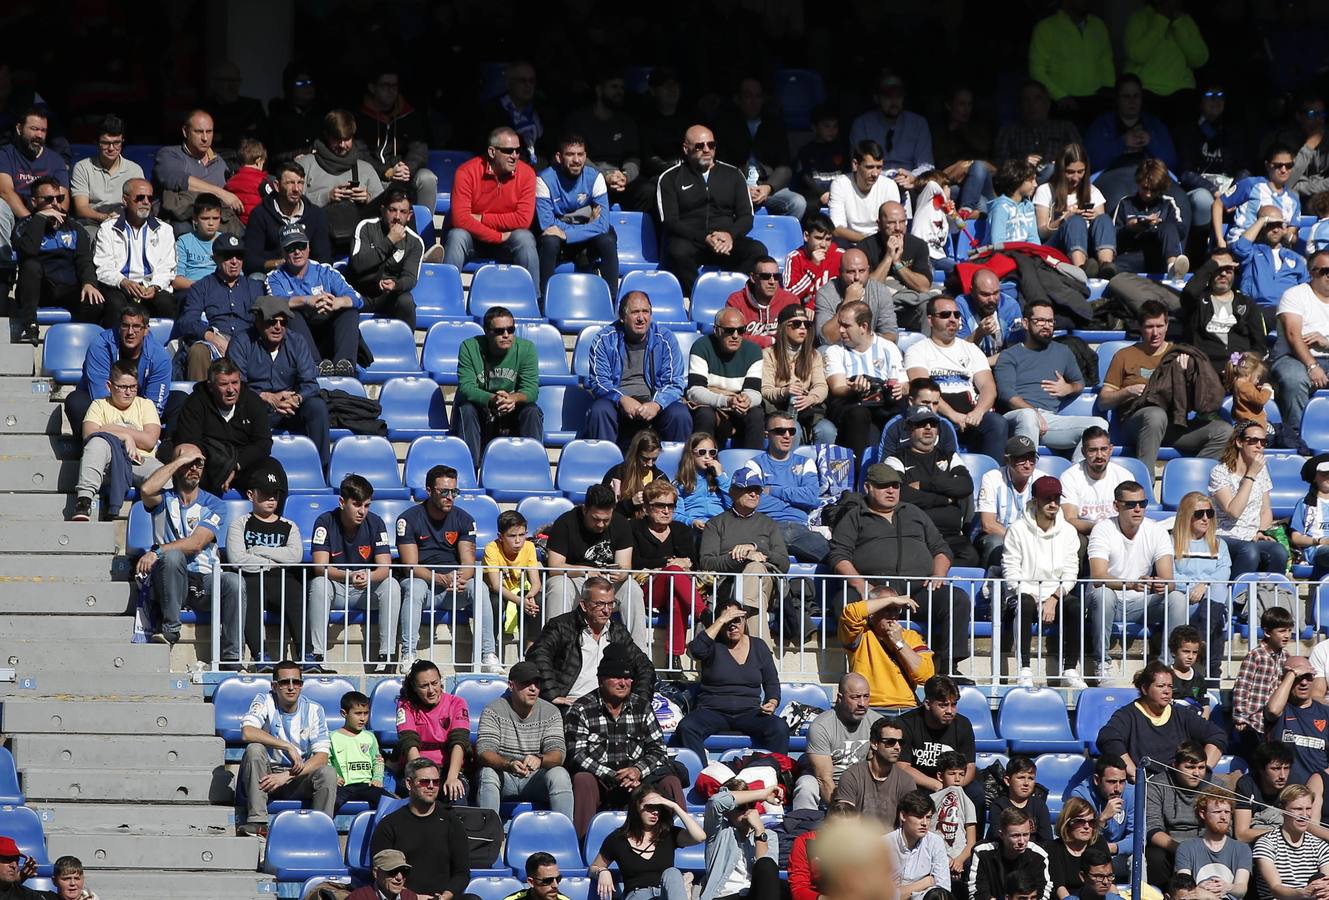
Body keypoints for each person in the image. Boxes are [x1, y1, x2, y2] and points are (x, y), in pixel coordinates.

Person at [829, 464, 973, 676]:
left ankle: (949, 667)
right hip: (874, 594)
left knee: (957, 598)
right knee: (844, 602)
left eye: (895, 486)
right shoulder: (854, 516)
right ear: (868, 487)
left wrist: (939, 574)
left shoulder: (914, 512)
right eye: (884, 486)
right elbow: (838, 554)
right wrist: (861, 585)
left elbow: (941, 549)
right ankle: (862, 662)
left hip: (916, 591)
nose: (891, 491)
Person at [565, 643, 687, 839]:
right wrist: (613, 775)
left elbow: (658, 750)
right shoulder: (581, 709)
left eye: (627, 678)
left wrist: (637, 770)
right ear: (601, 679)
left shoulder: (642, 706)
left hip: (639, 779)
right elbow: (576, 755)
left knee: (670, 781)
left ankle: (680, 840)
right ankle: (583, 844)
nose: (623, 683)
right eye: (617, 677)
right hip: (601, 781)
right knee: (582, 779)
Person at [1098, 300, 1230, 477]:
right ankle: (1144, 483)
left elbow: (1198, 402)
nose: (1155, 333)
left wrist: (1187, 375)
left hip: (1172, 424)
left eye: (1160, 326)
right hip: (1135, 423)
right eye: (1149, 327)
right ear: (1139, 326)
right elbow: (1103, 402)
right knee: (1154, 414)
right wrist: (1127, 392)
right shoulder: (1124, 355)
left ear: (1167, 325)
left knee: (1224, 432)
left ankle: (1190, 479)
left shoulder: (1179, 354)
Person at [136, 442, 241, 660]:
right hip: (172, 581)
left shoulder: (214, 504)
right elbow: (146, 489)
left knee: (234, 582)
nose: (194, 468)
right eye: (188, 464)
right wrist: (179, 461)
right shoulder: (163, 500)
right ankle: (170, 630)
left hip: (204, 581)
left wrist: (158, 550)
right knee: (173, 557)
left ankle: (232, 657)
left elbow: (196, 543)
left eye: (199, 464)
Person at [397, 464, 500, 675]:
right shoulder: (408, 519)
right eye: (444, 491)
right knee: (415, 586)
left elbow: (468, 563)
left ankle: (488, 654)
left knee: (479, 587)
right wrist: (439, 578)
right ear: (429, 490)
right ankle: (408, 654)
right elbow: (410, 565)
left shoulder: (464, 519)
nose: (450, 496)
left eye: (454, 491)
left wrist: (457, 579)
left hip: (453, 588)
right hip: (424, 586)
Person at [669, 596, 787, 760]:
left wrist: (772, 701)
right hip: (712, 711)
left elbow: (771, 681)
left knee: (779, 727)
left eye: (737, 620)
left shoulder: (759, 646)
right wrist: (720, 620)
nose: (733, 626)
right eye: (727, 621)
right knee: (687, 727)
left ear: (744, 620)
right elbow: (695, 650)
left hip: (749, 712)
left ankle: (772, 774)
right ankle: (701, 775)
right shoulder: (711, 645)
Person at [308, 474, 403, 672]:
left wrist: (368, 577)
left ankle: (386, 657)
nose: (362, 511)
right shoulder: (324, 521)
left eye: (367, 505)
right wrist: (349, 576)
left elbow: (384, 568)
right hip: (337, 588)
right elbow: (320, 566)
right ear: (342, 502)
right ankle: (317, 655)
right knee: (319, 583)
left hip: (365, 590)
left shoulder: (376, 523)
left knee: (392, 584)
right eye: (357, 504)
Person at [656, 124, 765, 296]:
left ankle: (735, 297)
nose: (706, 150)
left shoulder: (734, 174)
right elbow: (670, 220)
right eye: (700, 146)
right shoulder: (670, 178)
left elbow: (746, 216)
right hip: (692, 240)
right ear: (686, 148)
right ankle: (700, 298)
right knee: (677, 251)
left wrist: (730, 235)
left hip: (726, 240)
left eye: (711, 145)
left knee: (757, 250)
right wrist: (705, 237)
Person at [1087, 481, 1187, 666]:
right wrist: (1131, 584)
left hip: (1141, 604)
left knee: (1177, 598)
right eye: (1131, 504)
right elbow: (1098, 576)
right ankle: (1102, 662)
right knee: (1103, 594)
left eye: (1143, 503)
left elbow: (1169, 582)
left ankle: (1167, 666)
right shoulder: (1102, 529)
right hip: (1110, 602)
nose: (1138, 509)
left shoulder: (1156, 530)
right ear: (1116, 506)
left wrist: (1159, 583)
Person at [1000, 475, 1087, 688]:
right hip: (1023, 594)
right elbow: (1011, 572)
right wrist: (1038, 597)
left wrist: (1054, 597)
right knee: (1025, 602)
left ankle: (1070, 668)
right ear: (1035, 500)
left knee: (1075, 606)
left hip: (1055, 596)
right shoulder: (1017, 530)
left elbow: (1071, 571)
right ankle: (1024, 669)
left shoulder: (1068, 531)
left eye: (1057, 498)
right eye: (1048, 499)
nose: (1053, 504)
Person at [225, 295, 330, 470]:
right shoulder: (242, 342)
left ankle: (322, 470)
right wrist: (266, 397)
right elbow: (235, 387)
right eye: (272, 321)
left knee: (317, 407)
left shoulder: (297, 341)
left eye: (283, 322)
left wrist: (296, 399)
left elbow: (310, 384)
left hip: (290, 408)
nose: (278, 327)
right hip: (255, 409)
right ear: (258, 321)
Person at [223, 458, 307, 665]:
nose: (271, 498)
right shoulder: (240, 524)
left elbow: (295, 556)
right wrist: (273, 560)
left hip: (282, 580)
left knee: (297, 592)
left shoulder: (289, 526)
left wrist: (259, 551)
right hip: (253, 578)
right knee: (250, 591)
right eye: (265, 493)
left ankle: (307, 654)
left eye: (275, 494)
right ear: (251, 495)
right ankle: (259, 654)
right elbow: (237, 559)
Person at [237, 659, 336, 835]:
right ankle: (258, 822)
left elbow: (322, 757)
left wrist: (287, 775)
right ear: (274, 686)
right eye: (284, 683)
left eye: (296, 682)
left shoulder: (314, 709)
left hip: (298, 775)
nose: (291, 687)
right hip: (266, 776)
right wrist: (286, 746)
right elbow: (247, 732)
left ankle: (322, 830)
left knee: (328, 772)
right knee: (254, 749)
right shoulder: (264, 700)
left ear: (301, 685)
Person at [525, 576, 654, 709]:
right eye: (599, 604)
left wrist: (639, 701)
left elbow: (645, 666)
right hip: (571, 704)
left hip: (608, 706)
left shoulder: (617, 632)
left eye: (610, 604)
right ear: (584, 605)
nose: (606, 610)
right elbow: (537, 655)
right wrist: (553, 695)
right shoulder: (561, 626)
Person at [541, 486, 648, 646]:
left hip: (607, 583)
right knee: (558, 585)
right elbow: (555, 567)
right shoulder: (565, 523)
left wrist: (621, 573)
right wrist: (585, 571)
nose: (600, 524)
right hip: (575, 581)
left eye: (606, 520)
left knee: (632, 588)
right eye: (596, 519)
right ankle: (555, 649)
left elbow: (625, 566)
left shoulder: (621, 524)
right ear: (585, 510)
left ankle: (640, 655)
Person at [582, 291, 692, 447]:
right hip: (618, 406)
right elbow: (599, 382)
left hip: (654, 404)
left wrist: (656, 404)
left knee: (679, 414)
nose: (641, 318)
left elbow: (674, 382)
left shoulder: (665, 339)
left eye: (645, 312)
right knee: (600, 410)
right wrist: (621, 399)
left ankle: (676, 468)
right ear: (622, 317)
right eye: (635, 312)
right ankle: (605, 467)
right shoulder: (604, 340)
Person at [905, 295, 1006, 461]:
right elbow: (921, 389)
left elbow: (988, 387)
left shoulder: (971, 349)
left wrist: (979, 412)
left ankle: (993, 476)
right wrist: (953, 415)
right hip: (937, 415)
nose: (952, 319)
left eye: (956, 315)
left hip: (972, 415)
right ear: (930, 320)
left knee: (997, 423)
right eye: (945, 315)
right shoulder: (917, 350)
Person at [474, 660, 573, 821]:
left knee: (559, 774)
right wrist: (509, 764)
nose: (533, 688)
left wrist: (540, 760)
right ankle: (488, 838)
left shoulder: (551, 712)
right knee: (487, 773)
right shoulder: (493, 710)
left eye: (537, 683)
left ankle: (563, 833)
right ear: (511, 685)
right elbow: (484, 752)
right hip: (505, 776)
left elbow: (558, 754)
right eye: (526, 684)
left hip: (536, 779)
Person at [444, 127, 539, 294]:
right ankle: (446, 295)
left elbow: (523, 220)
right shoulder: (466, 172)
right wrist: (497, 236)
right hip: (473, 239)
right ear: (492, 152)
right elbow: (461, 219)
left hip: (509, 239)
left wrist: (481, 218)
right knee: (457, 235)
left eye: (518, 151)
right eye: (508, 151)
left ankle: (533, 301)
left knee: (525, 238)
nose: (515, 156)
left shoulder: (527, 174)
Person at [369, 757, 477, 900]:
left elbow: (462, 872)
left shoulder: (451, 821)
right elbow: (381, 873)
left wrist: (446, 896)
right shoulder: (390, 824)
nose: (431, 786)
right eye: (425, 782)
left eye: (436, 782)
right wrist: (414, 897)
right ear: (409, 783)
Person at [884, 405, 979, 566]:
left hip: (951, 536)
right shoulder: (896, 459)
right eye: (921, 424)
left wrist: (924, 484)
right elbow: (901, 494)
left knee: (971, 557)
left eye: (933, 424)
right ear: (909, 428)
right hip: (914, 534)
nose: (928, 428)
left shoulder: (949, 456)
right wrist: (946, 499)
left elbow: (965, 486)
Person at [1097, 664, 1226, 782]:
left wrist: (1202, 771)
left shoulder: (1182, 714)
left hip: (1182, 784)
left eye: (1170, 686)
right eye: (1160, 686)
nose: (1167, 691)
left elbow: (1217, 735)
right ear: (1145, 689)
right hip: (1146, 787)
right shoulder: (1128, 715)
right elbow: (1108, 738)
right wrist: (1136, 775)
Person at [264, 222, 364, 374]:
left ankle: (345, 366)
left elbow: (358, 299)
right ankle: (315, 366)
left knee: (349, 311)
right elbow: (275, 303)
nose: (297, 252)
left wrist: (337, 302)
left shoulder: (325, 271)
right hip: (300, 338)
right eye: (290, 248)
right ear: (283, 252)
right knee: (290, 313)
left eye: (301, 246)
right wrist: (306, 300)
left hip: (329, 333)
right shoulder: (275, 277)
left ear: (309, 247)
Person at [449, 305, 543, 467]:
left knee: (532, 411)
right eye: (499, 331)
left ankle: (533, 465)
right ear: (487, 331)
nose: (506, 335)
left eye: (510, 329)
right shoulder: (469, 347)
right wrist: (494, 399)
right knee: (466, 408)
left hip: (512, 408)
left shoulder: (527, 349)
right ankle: (470, 468)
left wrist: (513, 398)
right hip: (481, 408)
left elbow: (531, 390)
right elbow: (466, 387)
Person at [71, 357, 161, 523]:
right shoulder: (99, 405)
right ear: (109, 386)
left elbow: (149, 441)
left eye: (133, 387)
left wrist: (109, 429)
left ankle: (165, 517)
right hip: (107, 465)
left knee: (164, 474)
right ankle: (83, 501)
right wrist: (127, 437)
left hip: (140, 461)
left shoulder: (145, 405)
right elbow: (89, 435)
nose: (128, 392)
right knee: (97, 443)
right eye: (123, 387)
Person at [12, 176, 101, 342]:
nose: (55, 204)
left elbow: (84, 260)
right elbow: (28, 252)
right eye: (48, 199)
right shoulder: (23, 227)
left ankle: (84, 342)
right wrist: (40, 218)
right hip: (39, 291)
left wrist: (89, 283)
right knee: (31, 265)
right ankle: (30, 325)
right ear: (34, 202)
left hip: (68, 289)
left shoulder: (75, 228)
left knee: (95, 299)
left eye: (59, 198)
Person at [697, 467, 791, 619]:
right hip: (728, 587)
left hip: (765, 584)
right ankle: (746, 619)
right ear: (733, 492)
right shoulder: (715, 523)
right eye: (748, 489)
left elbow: (784, 564)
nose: (754, 494)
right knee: (755, 613)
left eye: (757, 490)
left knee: (755, 567)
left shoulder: (769, 524)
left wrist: (756, 549)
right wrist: (741, 557)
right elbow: (706, 562)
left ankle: (740, 612)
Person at [171, 357, 273, 497]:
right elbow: (190, 442)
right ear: (211, 386)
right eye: (224, 384)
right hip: (208, 463)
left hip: (243, 463)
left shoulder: (253, 401)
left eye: (235, 383)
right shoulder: (195, 403)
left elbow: (263, 443)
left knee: (273, 474)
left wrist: (236, 466)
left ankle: (271, 519)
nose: (231, 390)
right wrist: (221, 466)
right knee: (190, 472)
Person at [176, 232, 269, 382]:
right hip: (215, 343)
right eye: (228, 256)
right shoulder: (201, 287)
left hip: (248, 343)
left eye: (239, 256)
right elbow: (187, 322)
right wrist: (212, 337)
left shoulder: (256, 287)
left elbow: (266, 319)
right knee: (198, 351)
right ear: (216, 259)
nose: (234, 261)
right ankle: (200, 401)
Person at [587, 783, 704, 900]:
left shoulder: (668, 834)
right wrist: (602, 871)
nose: (655, 812)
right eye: (650, 807)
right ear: (636, 806)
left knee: (672, 872)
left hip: (665, 895)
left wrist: (674, 806)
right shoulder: (617, 839)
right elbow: (594, 867)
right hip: (638, 895)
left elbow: (700, 837)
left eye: (658, 807)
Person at [535, 133, 618, 298]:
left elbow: (602, 224)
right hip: (561, 244)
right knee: (549, 240)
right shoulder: (543, 180)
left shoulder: (595, 177)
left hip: (579, 237)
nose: (576, 160)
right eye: (570, 154)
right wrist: (586, 227)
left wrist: (566, 233)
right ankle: (545, 299)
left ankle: (612, 300)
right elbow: (547, 225)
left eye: (580, 154)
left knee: (607, 238)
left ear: (585, 156)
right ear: (559, 157)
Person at [65, 303, 171, 431]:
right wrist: (120, 428)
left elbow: (154, 406)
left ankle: (165, 448)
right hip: (105, 408)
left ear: (146, 330)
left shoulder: (160, 357)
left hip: (139, 410)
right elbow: (100, 395)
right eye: (125, 326)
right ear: (119, 327)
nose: (130, 332)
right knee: (76, 401)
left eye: (136, 326)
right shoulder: (100, 346)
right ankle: (86, 445)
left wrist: (135, 427)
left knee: (179, 399)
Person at [823, 299, 907, 460]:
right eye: (839, 324)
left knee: (901, 413)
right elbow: (837, 387)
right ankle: (859, 472)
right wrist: (853, 388)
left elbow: (903, 383)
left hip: (883, 404)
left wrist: (900, 389)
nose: (840, 330)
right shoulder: (835, 351)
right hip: (851, 403)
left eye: (846, 326)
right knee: (859, 414)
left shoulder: (888, 348)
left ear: (864, 327)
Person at [714, 76, 807, 221]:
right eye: (748, 96)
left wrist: (768, 187)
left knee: (797, 203)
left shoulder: (774, 124)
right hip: (735, 187)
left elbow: (785, 167)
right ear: (737, 99)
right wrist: (741, 188)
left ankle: (780, 241)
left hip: (766, 186)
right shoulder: (725, 125)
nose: (753, 101)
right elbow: (720, 164)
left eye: (758, 96)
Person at [294, 110, 385, 255]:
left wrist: (367, 198)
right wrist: (326, 197)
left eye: (347, 139)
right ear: (326, 135)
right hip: (315, 244)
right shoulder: (305, 165)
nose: (342, 145)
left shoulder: (365, 169)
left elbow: (385, 207)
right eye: (337, 139)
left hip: (359, 244)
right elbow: (291, 205)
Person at [631, 480, 702, 666]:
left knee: (676, 598)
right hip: (646, 590)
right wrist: (667, 563)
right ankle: (704, 613)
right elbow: (634, 562)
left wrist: (680, 565)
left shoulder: (682, 530)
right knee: (673, 571)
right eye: (660, 506)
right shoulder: (633, 528)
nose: (666, 511)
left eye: (670, 506)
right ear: (646, 507)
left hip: (675, 590)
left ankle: (674, 658)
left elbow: (694, 563)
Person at [746, 411, 828, 562]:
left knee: (837, 560)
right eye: (780, 431)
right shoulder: (754, 464)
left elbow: (810, 497)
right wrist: (796, 498)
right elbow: (756, 502)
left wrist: (772, 490)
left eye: (792, 431)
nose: (787, 436)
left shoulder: (806, 463)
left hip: (801, 529)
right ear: (766, 435)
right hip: (768, 529)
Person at [1209, 421, 1288, 578]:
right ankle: (1237, 598)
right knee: (1249, 551)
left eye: (1263, 442)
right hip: (1225, 536)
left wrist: (1260, 531)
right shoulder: (1220, 472)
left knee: (1279, 551)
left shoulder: (1261, 470)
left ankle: (1269, 597)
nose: (1259, 446)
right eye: (1253, 440)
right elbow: (1233, 512)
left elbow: (1265, 510)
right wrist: (1250, 475)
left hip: (1252, 536)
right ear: (1239, 442)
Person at [92, 177, 177, 321]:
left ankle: (167, 343)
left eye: (150, 198)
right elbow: (103, 267)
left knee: (167, 303)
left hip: (151, 287)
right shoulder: (108, 229)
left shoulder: (165, 230)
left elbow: (167, 267)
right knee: (115, 303)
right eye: (140, 198)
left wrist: (155, 286)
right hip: (119, 287)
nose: (145, 202)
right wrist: (123, 282)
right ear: (125, 200)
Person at [791, 674, 882, 810]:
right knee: (806, 786)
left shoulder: (877, 723)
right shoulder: (821, 726)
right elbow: (824, 779)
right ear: (840, 698)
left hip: (860, 782)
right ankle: (803, 825)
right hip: (827, 783)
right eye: (855, 697)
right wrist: (842, 814)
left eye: (866, 696)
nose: (862, 704)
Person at [1170, 492, 1232, 684]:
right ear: (1186, 515)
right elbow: (1169, 574)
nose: (1205, 518)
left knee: (1219, 590)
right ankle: (1212, 672)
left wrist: (1203, 585)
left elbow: (1224, 572)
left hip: (1209, 599)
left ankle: (1201, 644)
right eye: (1199, 514)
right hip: (1185, 599)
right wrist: (1192, 587)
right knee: (1216, 616)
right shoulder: (1171, 542)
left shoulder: (1219, 544)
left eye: (1209, 513)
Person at [838, 585, 934, 710]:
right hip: (869, 707)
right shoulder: (860, 634)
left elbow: (926, 675)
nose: (893, 615)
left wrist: (899, 643)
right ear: (872, 612)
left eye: (896, 609)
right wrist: (892, 599)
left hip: (906, 707)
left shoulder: (910, 636)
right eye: (886, 609)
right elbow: (851, 613)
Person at [1179, 249, 1269, 376]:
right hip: (1205, 369)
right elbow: (1188, 292)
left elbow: (1259, 344)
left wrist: (1246, 365)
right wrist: (1213, 264)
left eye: (1228, 269)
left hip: (1240, 371)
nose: (1223, 274)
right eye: (1218, 269)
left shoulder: (1247, 304)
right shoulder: (1198, 301)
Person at [355, 67, 435, 209]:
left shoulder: (410, 115)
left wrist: (407, 169)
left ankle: (424, 229)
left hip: (403, 175)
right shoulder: (360, 117)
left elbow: (419, 151)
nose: (391, 90)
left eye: (394, 86)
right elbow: (360, 154)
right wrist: (386, 171)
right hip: (373, 176)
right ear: (372, 88)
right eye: (385, 85)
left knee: (427, 177)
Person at [1272, 250, 1329, 451]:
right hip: (1293, 357)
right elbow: (1293, 335)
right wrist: (1312, 365)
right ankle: (1296, 437)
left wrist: (1326, 342)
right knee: (1294, 379)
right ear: (1312, 272)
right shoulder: (1295, 295)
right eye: (1325, 271)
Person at [152, 110, 244, 230]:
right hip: (185, 223)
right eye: (199, 132)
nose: (205, 138)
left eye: (209, 132)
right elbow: (177, 180)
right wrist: (221, 193)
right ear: (185, 131)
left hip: (217, 224)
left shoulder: (219, 161)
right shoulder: (169, 154)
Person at [346, 188, 423, 330]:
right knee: (343, 302)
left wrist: (396, 285)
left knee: (406, 301)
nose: (397, 216)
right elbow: (358, 264)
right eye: (392, 210)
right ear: (383, 210)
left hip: (389, 296)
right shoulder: (366, 227)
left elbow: (410, 277)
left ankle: (405, 348)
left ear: (410, 215)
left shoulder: (415, 242)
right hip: (361, 291)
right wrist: (389, 241)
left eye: (403, 212)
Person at [1033, 143, 1117, 274]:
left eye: (1080, 172)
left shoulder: (1093, 192)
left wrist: (1094, 216)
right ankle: (1080, 269)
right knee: (1075, 221)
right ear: (1061, 170)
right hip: (1057, 246)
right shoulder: (1045, 191)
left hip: (1088, 248)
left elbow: (1102, 229)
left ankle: (1106, 265)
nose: (1076, 177)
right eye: (1070, 172)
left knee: (1104, 218)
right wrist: (1063, 219)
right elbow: (1042, 232)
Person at [688, 308, 765, 449]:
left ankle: (753, 464)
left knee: (756, 414)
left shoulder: (753, 351)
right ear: (716, 330)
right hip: (713, 405)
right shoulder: (701, 347)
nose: (735, 335)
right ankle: (703, 463)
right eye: (729, 331)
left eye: (740, 330)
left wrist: (746, 401)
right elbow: (694, 390)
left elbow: (755, 393)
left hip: (738, 406)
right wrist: (726, 401)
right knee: (705, 414)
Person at [562, 70, 641, 207]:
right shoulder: (579, 120)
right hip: (586, 177)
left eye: (621, 88)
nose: (619, 92)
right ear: (599, 90)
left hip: (620, 179)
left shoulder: (626, 122)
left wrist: (625, 176)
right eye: (614, 87)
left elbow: (633, 156)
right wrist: (604, 177)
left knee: (647, 190)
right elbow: (576, 156)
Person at [1086, 76, 1179, 191]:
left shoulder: (1154, 124)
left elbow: (1171, 162)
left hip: (1151, 177)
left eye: (1136, 96)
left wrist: (1151, 142)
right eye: (1126, 96)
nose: (1132, 101)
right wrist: (1122, 142)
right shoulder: (1102, 124)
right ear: (1117, 99)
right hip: (1112, 178)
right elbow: (1092, 162)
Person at [394, 660, 470, 800]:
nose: (431, 690)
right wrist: (425, 779)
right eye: (424, 686)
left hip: (449, 769)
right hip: (418, 770)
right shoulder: (405, 706)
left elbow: (459, 742)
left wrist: (452, 777)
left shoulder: (457, 703)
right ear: (414, 687)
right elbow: (409, 743)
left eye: (435, 683)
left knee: (456, 792)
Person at [697, 780, 784, 900]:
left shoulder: (768, 835)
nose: (748, 811)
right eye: (741, 807)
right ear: (727, 811)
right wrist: (762, 794)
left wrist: (759, 831)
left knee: (768, 865)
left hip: (753, 895)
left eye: (752, 805)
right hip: (723, 896)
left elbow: (766, 875)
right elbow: (716, 801)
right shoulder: (719, 832)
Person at [243, 160, 333, 275]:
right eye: (290, 183)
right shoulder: (260, 214)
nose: (296, 189)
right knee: (255, 277)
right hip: (272, 274)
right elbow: (250, 260)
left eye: (300, 183)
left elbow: (324, 258)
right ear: (277, 185)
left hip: (308, 275)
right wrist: (280, 264)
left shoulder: (315, 214)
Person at [0, 106, 69, 256]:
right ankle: (5, 266)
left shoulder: (55, 160)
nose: (39, 135)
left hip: (48, 216)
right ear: (19, 128)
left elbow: (62, 198)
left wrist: (49, 221)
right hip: (16, 216)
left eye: (43, 131)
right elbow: (5, 192)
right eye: (34, 129)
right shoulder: (5, 154)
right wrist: (31, 222)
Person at [762, 305, 834, 447]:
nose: (802, 328)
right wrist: (785, 391)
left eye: (806, 324)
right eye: (796, 324)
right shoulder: (768, 354)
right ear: (783, 327)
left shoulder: (814, 355)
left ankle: (822, 467)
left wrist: (811, 398)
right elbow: (765, 389)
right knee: (793, 429)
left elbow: (821, 385)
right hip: (779, 409)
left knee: (827, 430)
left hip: (807, 410)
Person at [1027, 1, 1115, 116]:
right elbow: (1036, 70)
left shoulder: (1098, 25)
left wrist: (1109, 90)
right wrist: (1059, 96)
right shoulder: (1045, 28)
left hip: (1096, 100)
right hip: (1061, 103)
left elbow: (1105, 61)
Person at [828, 716, 915, 827]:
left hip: (891, 842)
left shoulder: (906, 781)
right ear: (874, 744)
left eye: (900, 742)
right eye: (891, 742)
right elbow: (844, 819)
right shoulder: (852, 775)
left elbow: (909, 822)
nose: (897, 747)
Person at [848, 74, 934, 186]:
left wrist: (912, 177)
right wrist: (886, 178)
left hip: (910, 183)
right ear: (877, 98)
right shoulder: (862, 124)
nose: (894, 101)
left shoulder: (918, 123)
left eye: (898, 96)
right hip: (874, 183)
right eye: (888, 97)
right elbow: (857, 165)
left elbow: (927, 165)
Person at [1231, 607, 1296, 752]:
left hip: (1273, 723)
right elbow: (1242, 686)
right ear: (1267, 632)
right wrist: (1240, 716)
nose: (1287, 635)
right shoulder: (1256, 655)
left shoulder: (1286, 657)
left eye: (1289, 631)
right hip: (1253, 721)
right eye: (1281, 631)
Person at [1060, 427, 1134, 550]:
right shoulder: (1070, 477)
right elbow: (1069, 519)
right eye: (1093, 450)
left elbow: (1131, 513)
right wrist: (1100, 529)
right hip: (1086, 534)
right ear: (1083, 452)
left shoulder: (1124, 476)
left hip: (1119, 534)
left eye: (1104, 449)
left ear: (1111, 449)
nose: (1099, 455)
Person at [1110, 160, 1187, 277]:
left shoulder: (1168, 203)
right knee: (1113, 267)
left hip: (1160, 257)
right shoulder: (1126, 203)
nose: (1148, 194)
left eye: (1154, 190)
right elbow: (1113, 236)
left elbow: (1181, 231)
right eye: (1145, 188)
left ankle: (1173, 268)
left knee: (1169, 226)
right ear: (1138, 182)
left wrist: (1158, 225)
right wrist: (1132, 228)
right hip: (1132, 256)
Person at [1252, 785, 1329, 900]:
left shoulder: (1320, 846)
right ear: (1282, 810)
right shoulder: (1266, 844)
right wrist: (1303, 893)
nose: (1304, 815)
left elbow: (1326, 881)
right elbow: (1276, 889)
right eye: (1298, 809)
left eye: (1308, 809)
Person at [70, 114, 144, 233]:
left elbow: (139, 205)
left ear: (122, 141)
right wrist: (106, 218)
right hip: (92, 224)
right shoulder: (82, 167)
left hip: (125, 223)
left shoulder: (134, 170)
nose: (111, 148)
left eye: (116, 143)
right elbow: (81, 208)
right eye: (105, 143)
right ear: (97, 142)